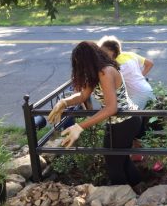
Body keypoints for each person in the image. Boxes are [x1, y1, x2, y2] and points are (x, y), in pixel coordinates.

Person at [48, 41, 142, 187]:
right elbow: (82, 96)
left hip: (125, 122)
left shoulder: (105, 72)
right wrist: (64, 102)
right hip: (119, 122)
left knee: (113, 164)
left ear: (88, 60)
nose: (80, 67)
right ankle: (137, 188)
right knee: (121, 159)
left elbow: (111, 108)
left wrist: (79, 127)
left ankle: (124, 197)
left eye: (81, 63)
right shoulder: (96, 73)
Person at [97, 35, 155, 110]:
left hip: (138, 95)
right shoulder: (130, 54)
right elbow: (150, 63)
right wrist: (140, 76)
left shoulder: (113, 64)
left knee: (132, 118)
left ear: (111, 51)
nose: (102, 54)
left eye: (103, 51)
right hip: (146, 89)